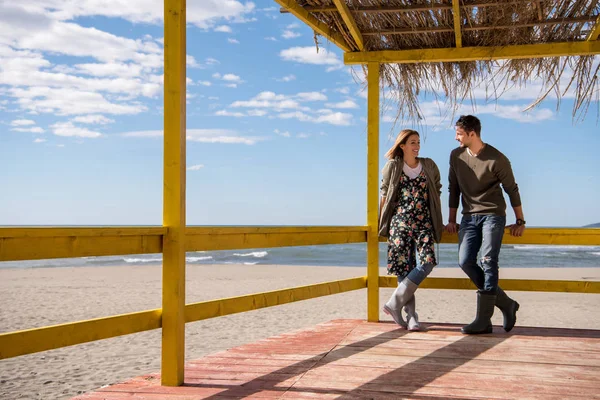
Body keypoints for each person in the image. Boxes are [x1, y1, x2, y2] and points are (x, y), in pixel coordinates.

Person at [445, 115, 525, 335]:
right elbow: (454, 188)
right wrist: (452, 219)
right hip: (468, 217)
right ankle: (506, 303)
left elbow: (512, 190)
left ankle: (483, 320)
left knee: (488, 260)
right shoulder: (456, 156)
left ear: (472, 134)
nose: (456, 137)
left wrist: (520, 220)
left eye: (459, 134)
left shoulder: (497, 159)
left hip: (492, 214)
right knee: (465, 261)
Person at [379, 129, 444, 331]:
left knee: (427, 263)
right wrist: (380, 222)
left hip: (424, 222)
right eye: (412, 143)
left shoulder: (429, 165)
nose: (416, 146)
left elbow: (437, 189)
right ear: (402, 145)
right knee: (404, 270)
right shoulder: (393, 166)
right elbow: (384, 194)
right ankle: (412, 316)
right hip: (400, 222)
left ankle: (394, 303)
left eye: (418, 143)